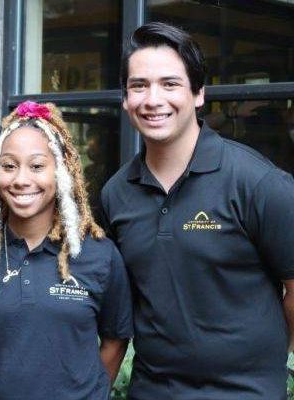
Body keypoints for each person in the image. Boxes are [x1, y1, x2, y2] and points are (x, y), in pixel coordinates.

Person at [101, 22, 294, 399]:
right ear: (125, 98)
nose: (153, 99)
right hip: (152, 391)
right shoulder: (115, 194)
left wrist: (267, 354)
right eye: (139, 86)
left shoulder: (258, 183)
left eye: (170, 84)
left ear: (199, 93)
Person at [0, 101, 133, 399]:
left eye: (37, 166)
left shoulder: (99, 255)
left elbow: (115, 340)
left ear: (61, 171)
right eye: (9, 166)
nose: (21, 180)